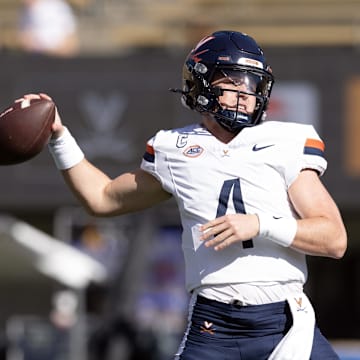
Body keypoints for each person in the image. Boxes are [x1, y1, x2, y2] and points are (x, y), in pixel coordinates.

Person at [21, 30, 347, 359]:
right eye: (233, 81)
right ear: (202, 86)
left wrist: (261, 224)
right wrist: (58, 137)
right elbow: (102, 198)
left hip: (284, 323)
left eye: (250, 83)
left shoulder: (286, 142)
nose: (245, 93)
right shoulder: (173, 150)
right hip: (213, 326)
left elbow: (334, 238)